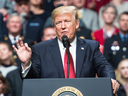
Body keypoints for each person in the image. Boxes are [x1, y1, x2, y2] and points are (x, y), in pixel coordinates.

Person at [13, 6, 119, 94]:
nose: (63, 26)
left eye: (67, 21)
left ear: (77, 24)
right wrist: (26, 64)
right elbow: (32, 81)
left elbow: (103, 66)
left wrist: (110, 79)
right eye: (58, 23)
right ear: (54, 27)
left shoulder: (90, 47)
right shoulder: (40, 49)